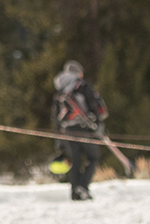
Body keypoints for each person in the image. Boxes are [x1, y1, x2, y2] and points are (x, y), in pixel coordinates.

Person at [52, 60, 108, 201]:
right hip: (84, 128)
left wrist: (59, 136)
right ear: (78, 72)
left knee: (75, 161)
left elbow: (55, 114)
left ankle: (75, 194)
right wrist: (97, 123)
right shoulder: (82, 85)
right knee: (93, 157)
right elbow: (93, 105)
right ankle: (82, 187)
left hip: (67, 130)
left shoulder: (61, 89)